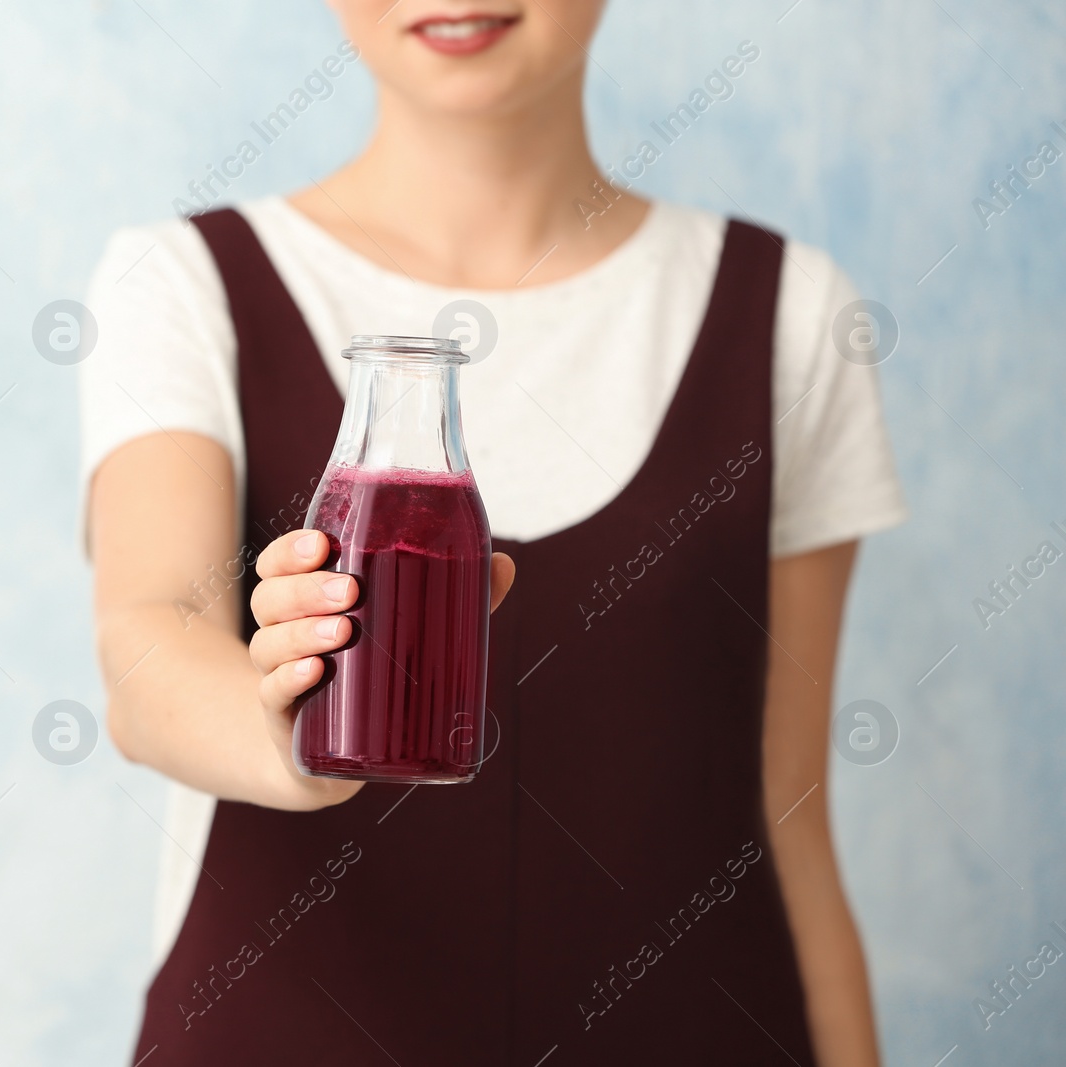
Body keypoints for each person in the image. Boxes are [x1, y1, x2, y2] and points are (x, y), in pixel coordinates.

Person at [80, 2, 905, 1063]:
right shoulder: (181, 285)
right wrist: (297, 725)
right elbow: (147, 647)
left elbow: (791, 815)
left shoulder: (792, 315)